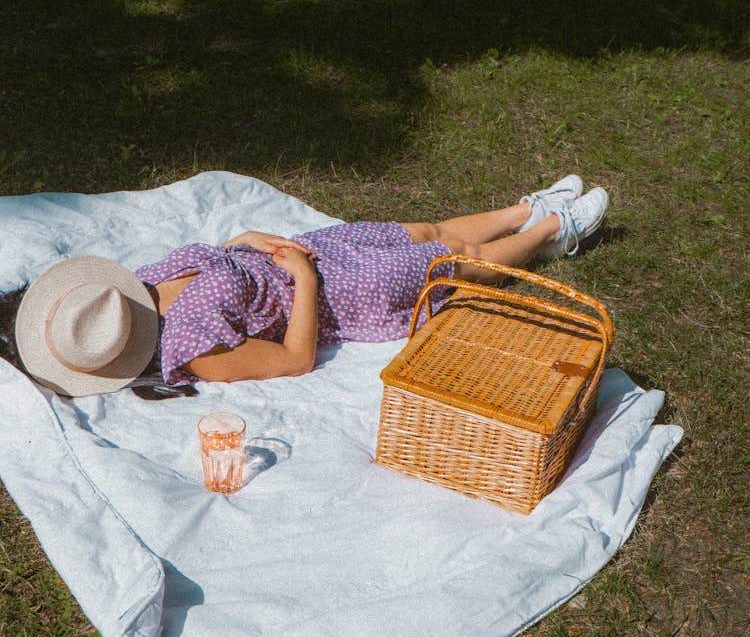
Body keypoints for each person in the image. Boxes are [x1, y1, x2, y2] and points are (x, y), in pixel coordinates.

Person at [9, 176, 608, 397]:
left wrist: (243, 241)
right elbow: (297, 360)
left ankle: (523, 213)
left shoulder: (134, 288)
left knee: (422, 228)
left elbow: (219, 264)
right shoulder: (200, 356)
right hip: (333, 294)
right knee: (452, 260)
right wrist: (304, 275)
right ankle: (559, 228)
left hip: (307, 255)